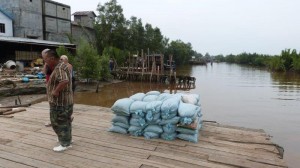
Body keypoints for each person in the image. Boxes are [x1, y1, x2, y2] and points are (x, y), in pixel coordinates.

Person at [42, 49, 73, 152]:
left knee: (57, 122)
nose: (44, 61)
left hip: (60, 102)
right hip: (66, 101)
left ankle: (64, 144)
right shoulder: (62, 66)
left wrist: (55, 91)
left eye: (45, 59)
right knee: (66, 121)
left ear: (51, 58)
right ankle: (67, 140)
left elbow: (64, 81)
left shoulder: (59, 68)